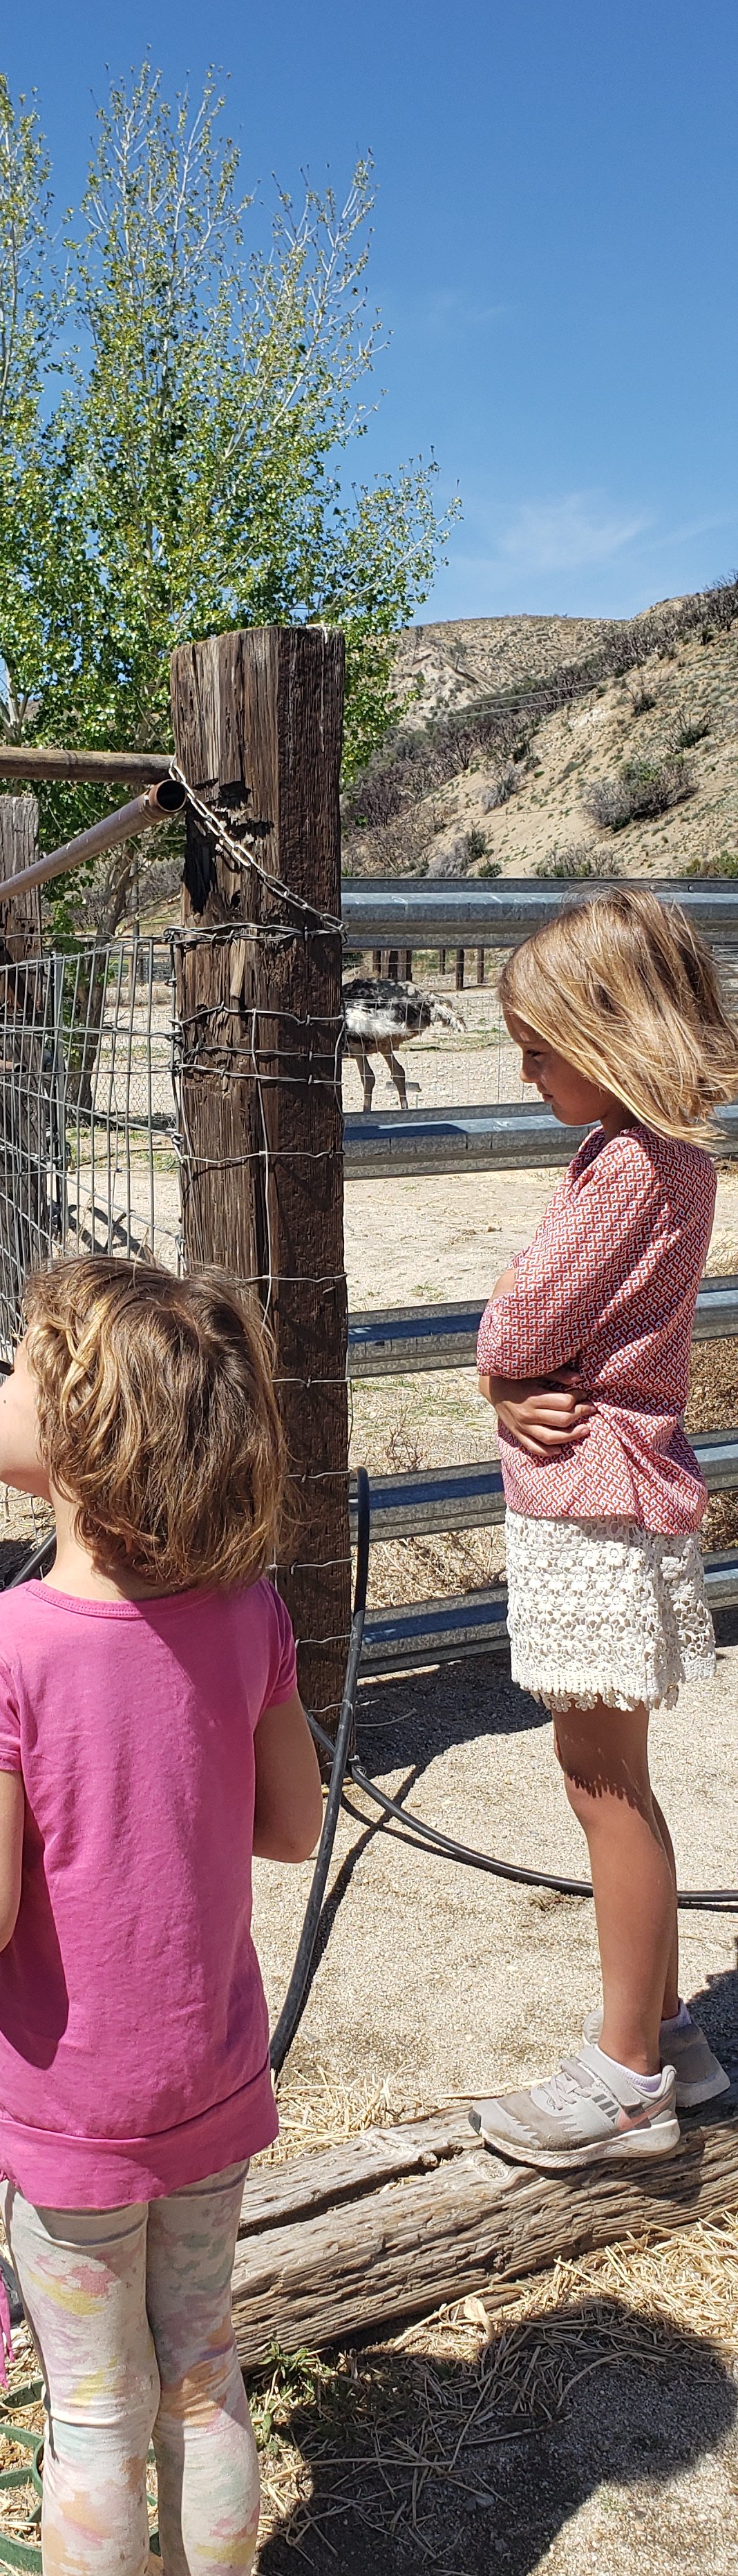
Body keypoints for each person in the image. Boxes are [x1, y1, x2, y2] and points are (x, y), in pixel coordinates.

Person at [0, 1256, 323, 2576]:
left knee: (93, 2413)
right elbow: (291, 1827)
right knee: (201, 2374)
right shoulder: (249, 1613)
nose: (1, 1386)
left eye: (21, 1364)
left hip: (72, 2118)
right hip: (210, 2087)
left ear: (80, 1435)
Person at [470, 887, 738, 2171]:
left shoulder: (629, 1165)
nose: (527, 1073)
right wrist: (510, 1384)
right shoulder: (665, 1157)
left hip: (593, 1501)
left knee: (602, 1785)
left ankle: (628, 2077)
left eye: (541, 1049)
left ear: (613, 1033)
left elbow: (522, 1322)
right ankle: (673, 2031)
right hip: (617, 1489)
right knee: (612, 1775)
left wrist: (499, 1364)